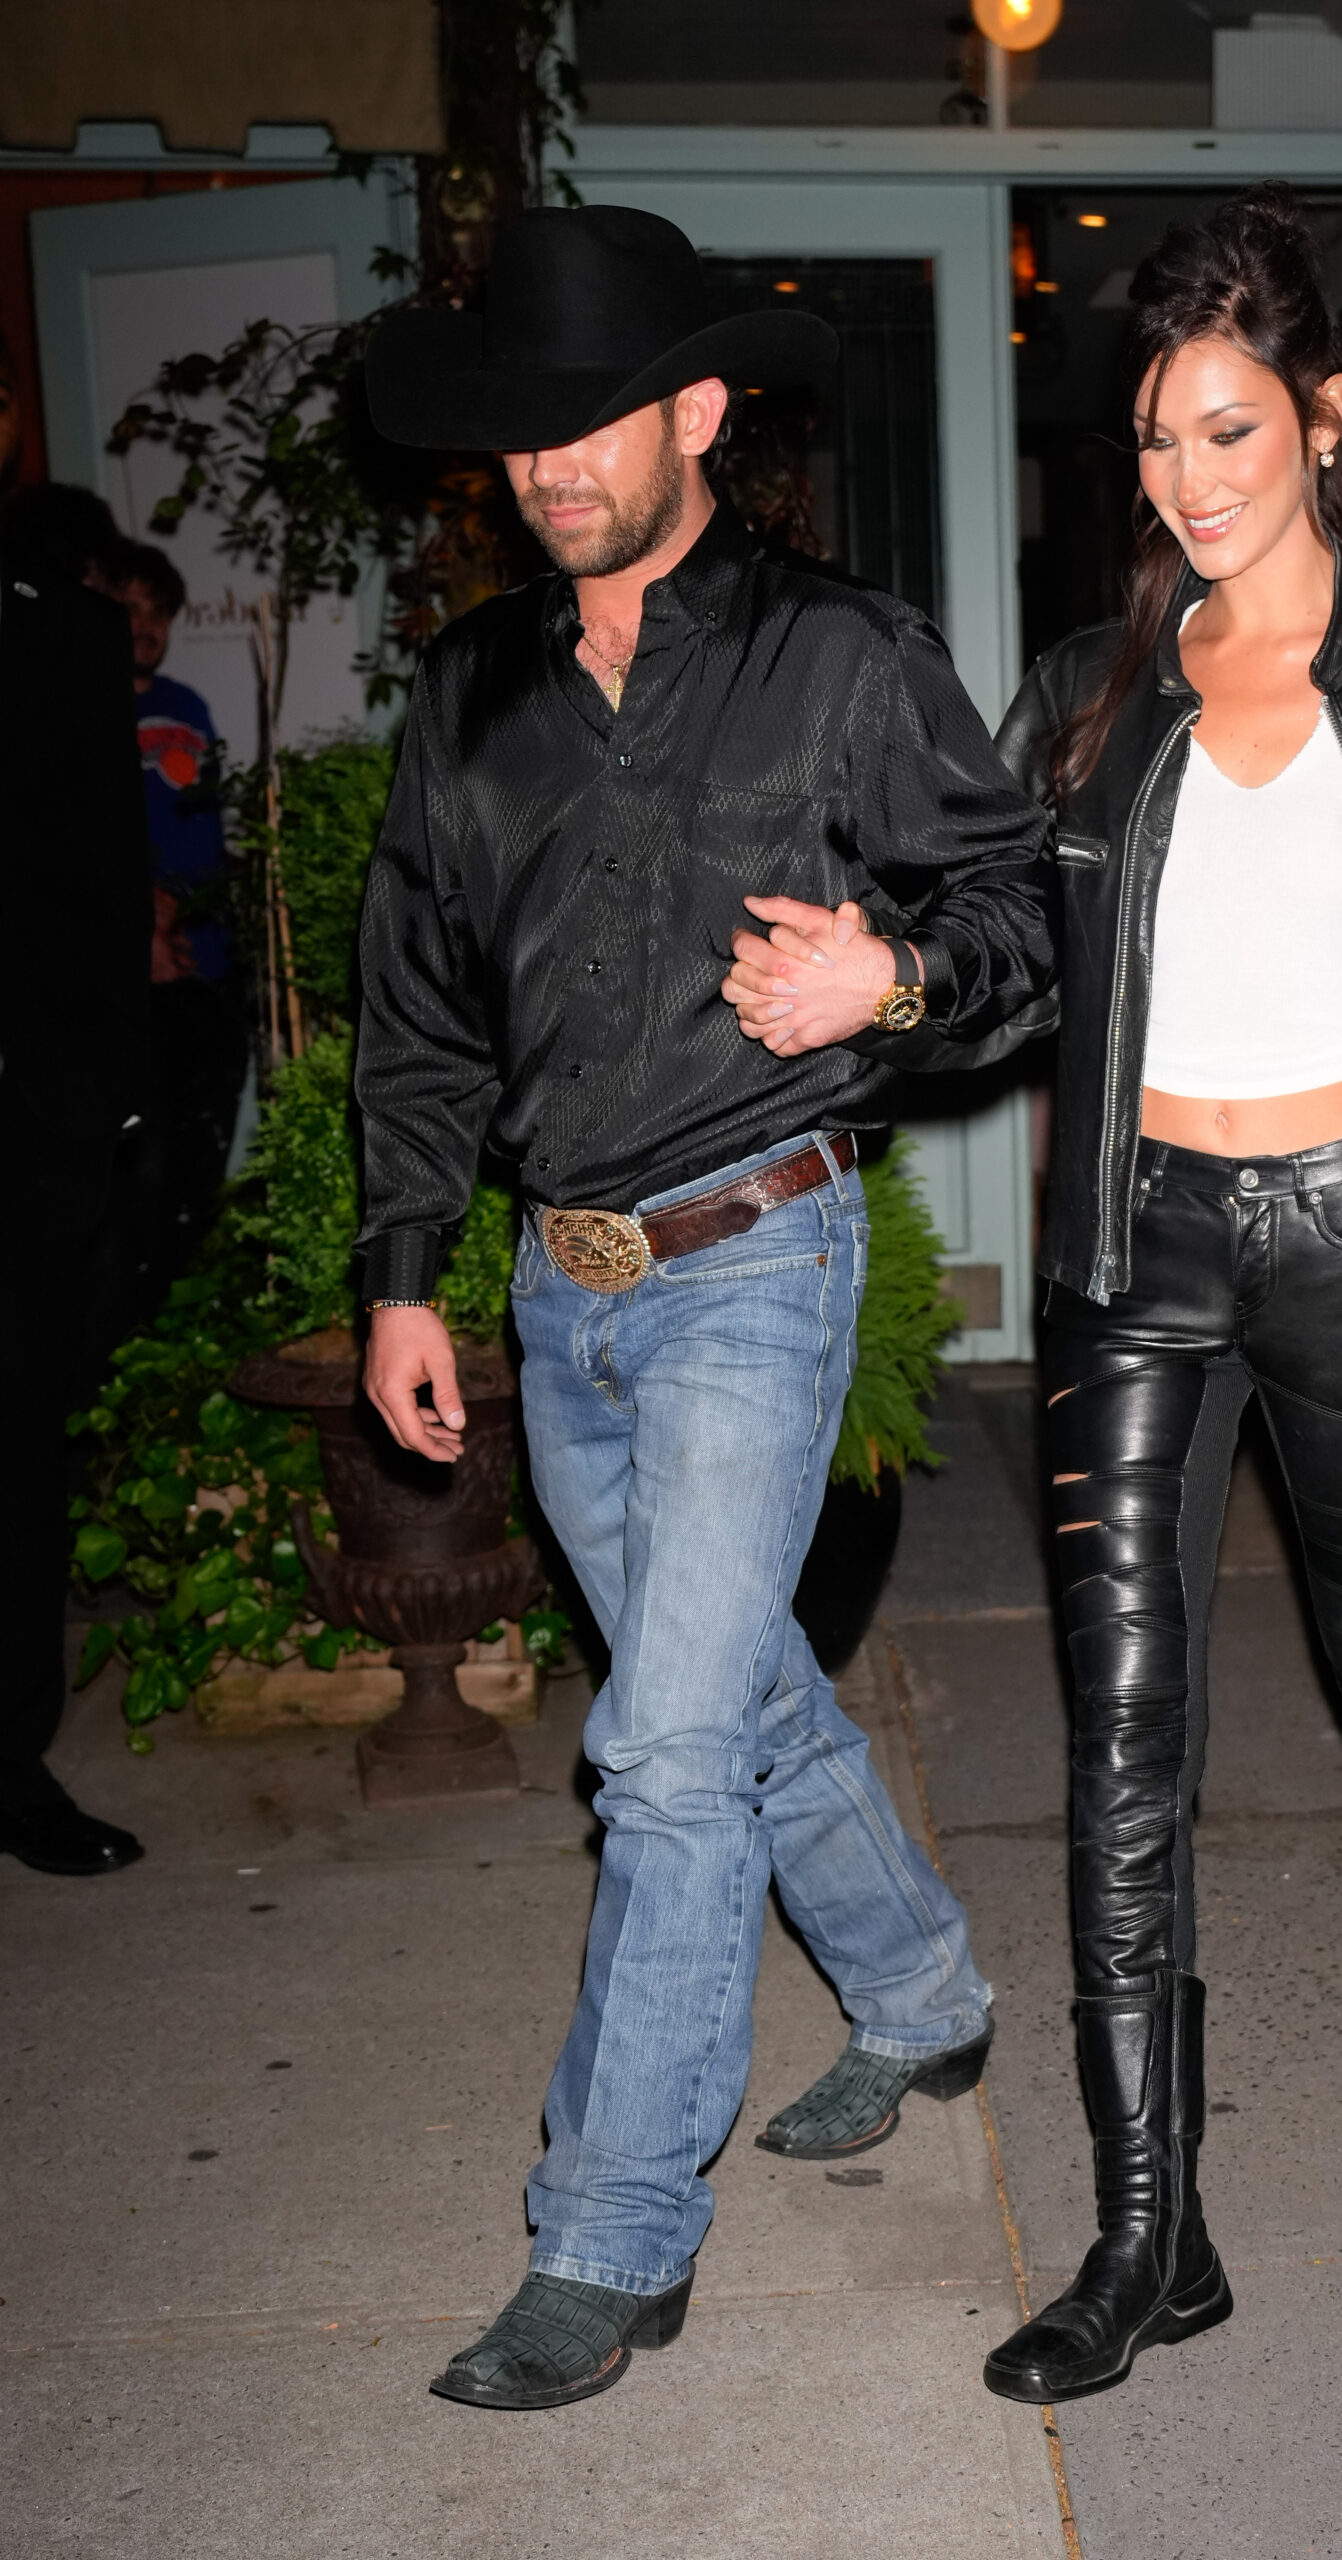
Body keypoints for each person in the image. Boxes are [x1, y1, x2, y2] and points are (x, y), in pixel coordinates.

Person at [725, 187, 1342, 2407]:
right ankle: (1154, 2234)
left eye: (1225, 428)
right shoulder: (1096, 688)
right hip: (1136, 1254)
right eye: (1152, 440)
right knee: (1118, 1738)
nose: (1185, 478)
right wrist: (901, 969)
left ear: (1319, 416)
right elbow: (1020, 960)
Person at [356, 205, 1055, 2412]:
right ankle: (927, 1994)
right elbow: (414, 1017)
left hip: (762, 1252)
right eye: (518, 436)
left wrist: (901, 975)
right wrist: (403, 1272)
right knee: (737, 1702)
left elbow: (1022, 900)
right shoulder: (471, 690)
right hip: (559, 1304)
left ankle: (611, 2232)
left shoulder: (842, 654)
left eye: (588, 422)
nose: (547, 466)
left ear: (696, 414)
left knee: (657, 1752)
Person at [0, 536, 153, 1874]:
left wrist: (95, 1099)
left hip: (22, 1127)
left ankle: (10, 1761)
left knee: (14, 1450)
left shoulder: (59, 632)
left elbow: (105, 878)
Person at [108, 539, 248, 1311]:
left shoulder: (187, 704)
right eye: (129, 608)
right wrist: (148, 919)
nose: (146, 625)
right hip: (142, 967)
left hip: (209, 956)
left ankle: (191, 1311)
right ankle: (142, 1316)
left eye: (157, 611)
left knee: (205, 1150)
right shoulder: (83, 710)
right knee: (148, 1163)